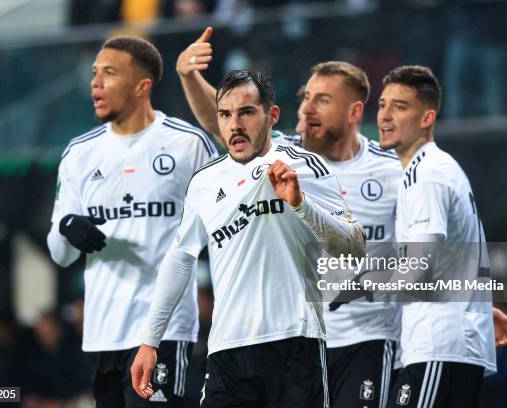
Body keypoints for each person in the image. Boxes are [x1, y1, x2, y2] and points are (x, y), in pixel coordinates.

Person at [176, 28, 403, 408]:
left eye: (322, 100)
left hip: (365, 336)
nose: (307, 109)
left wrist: (473, 304)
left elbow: (433, 249)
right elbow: (222, 124)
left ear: (354, 112)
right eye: (305, 98)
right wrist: (188, 75)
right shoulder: (284, 156)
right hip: (296, 338)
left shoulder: (392, 170)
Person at [130, 70, 367, 407]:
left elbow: (354, 249)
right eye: (225, 115)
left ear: (271, 116)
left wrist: (301, 205)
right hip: (228, 353)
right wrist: (150, 341)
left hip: (295, 346)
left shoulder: (305, 166)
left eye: (246, 112)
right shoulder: (205, 182)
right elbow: (181, 257)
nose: (234, 125)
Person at [47, 36, 218, 407]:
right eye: (94, 73)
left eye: (109, 73)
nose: (95, 82)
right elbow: (60, 255)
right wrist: (66, 228)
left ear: (142, 87)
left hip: (165, 334)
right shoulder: (79, 154)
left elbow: (222, 230)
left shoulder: (188, 145)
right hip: (101, 335)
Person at [377, 65, 496, 408]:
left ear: (427, 118)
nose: (385, 115)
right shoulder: (430, 167)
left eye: (399, 107)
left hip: (440, 343)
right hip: (444, 343)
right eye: (383, 104)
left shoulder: (426, 175)